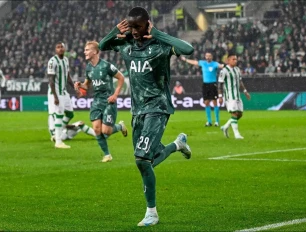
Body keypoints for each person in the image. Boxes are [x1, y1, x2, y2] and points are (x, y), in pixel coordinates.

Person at [98, 6, 193, 227]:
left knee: (141, 159)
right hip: (137, 110)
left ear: (147, 24)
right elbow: (103, 46)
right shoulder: (127, 44)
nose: (134, 31)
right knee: (146, 160)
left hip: (158, 108)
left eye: (138, 26)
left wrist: (158, 33)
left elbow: (188, 49)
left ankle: (152, 212)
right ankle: (177, 145)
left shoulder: (160, 45)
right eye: (130, 26)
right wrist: (115, 31)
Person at [74, 41, 128, 163]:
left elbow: (121, 78)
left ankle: (120, 126)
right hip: (97, 101)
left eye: (87, 50)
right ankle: (107, 155)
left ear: (95, 51)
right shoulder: (88, 68)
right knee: (97, 129)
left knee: (106, 131)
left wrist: (115, 95)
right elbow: (87, 86)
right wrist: (80, 85)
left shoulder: (107, 66)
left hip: (109, 100)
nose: (84, 52)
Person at [180, 52, 224, 127]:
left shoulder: (214, 64)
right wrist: (185, 60)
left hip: (213, 84)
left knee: (214, 102)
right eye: (206, 56)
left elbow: (221, 66)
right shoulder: (203, 63)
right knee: (206, 102)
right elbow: (194, 62)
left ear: (212, 57)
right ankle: (209, 121)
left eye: (209, 56)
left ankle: (217, 121)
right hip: (205, 84)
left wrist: (224, 65)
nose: (208, 57)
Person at [47, 42, 76, 149]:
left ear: (65, 48)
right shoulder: (52, 61)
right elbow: (50, 79)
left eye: (61, 47)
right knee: (58, 115)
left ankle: (56, 133)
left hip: (64, 92)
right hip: (56, 93)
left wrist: (75, 89)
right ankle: (58, 142)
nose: (60, 49)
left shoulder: (65, 60)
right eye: (58, 47)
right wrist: (55, 96)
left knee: (70, 114)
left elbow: (68, 77)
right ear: (55, 50)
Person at [218, 54, 251, 139]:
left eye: (236, 59)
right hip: (229, 96)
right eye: (233, 59)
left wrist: (245, 91)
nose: (235, 61)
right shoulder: (224, 71)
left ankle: (225, 127)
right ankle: (237, 134)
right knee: (234, 113)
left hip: (237, 95)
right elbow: (220, 84)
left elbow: (240, 82)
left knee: (239, 114)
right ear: (228, 60)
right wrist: (220, 96)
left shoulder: (237, 69)